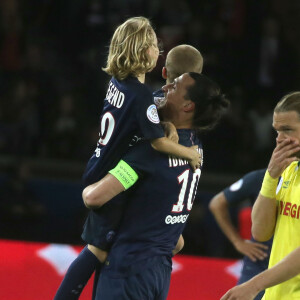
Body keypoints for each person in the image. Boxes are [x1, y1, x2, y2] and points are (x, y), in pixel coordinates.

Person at [54, 40, 203, 299]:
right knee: (168, 241)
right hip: (155, 258)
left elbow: (94, 196)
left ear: (164, 72)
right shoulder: (195, 143)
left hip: (109, 171)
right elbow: (158, 136)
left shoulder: (133, 95)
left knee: (98, 248)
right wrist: (182, 146)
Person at [84, 72, 229, 300]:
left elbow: (95, 198)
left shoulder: (150, 153)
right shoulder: (196, 149)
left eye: (175, 87)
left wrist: (87, 189)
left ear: (188, 106)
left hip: (127, 271)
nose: (166, 87)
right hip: (159, 273)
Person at [221, 91, 300, 300]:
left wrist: (253, 285)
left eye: (287, 130)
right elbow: (261, 232)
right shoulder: (290, 170)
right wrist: (271, 176)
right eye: (277, 131)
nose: (279, 139)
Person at [209, 169, 272, 300]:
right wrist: (237, 241)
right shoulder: (259, 178)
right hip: (260, 264)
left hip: (290, 265)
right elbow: (217, 203)